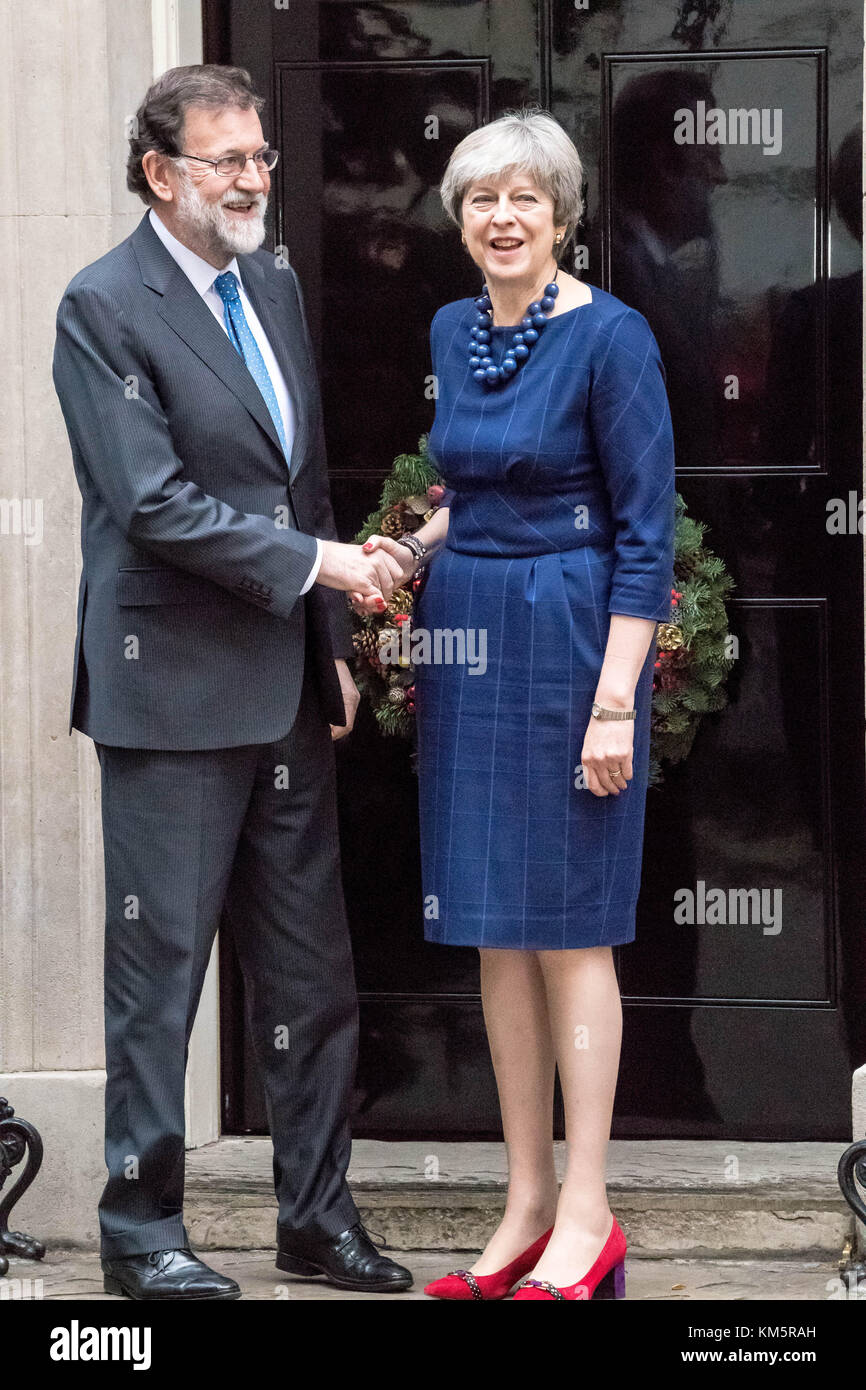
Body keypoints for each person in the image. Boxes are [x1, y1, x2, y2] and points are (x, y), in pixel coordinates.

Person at [52, 63, 411, 1300]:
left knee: (312, 983)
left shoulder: (271, 279)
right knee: (160, 984)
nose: (257, 179)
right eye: (230, 161)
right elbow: (151, 504)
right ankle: (143, 1237)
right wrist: (323, 569)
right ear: (161, 173)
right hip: (169, 699)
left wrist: (329, 648)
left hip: (284, 695)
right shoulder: (101, 305)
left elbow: (294, 481)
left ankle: (316, 1222)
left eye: (262, 156)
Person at [357, 109, 676, 1301]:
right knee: (497, 924)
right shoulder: (453, 325)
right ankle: (525, 1201)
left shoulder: (614, 338)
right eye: (479, 198)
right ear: (459, 218)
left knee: (571, 923)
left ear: (560, 214)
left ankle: (589, 1214)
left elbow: (644, 536)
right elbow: (475, 480)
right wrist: (415, 544)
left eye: (523, 198)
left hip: (567, 630)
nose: (500, 217)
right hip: (468, 632)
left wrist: (611, 705)